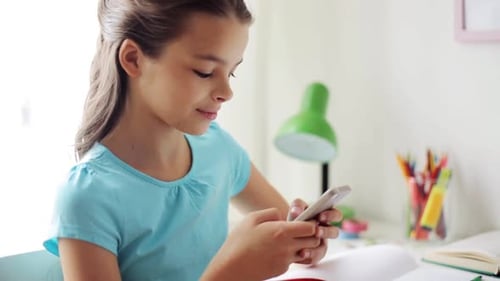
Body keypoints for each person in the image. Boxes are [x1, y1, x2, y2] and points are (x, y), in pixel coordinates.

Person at [43, 0, 342, 280]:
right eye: (205, 72)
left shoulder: (219, 149)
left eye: (232, 73)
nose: (226, 91)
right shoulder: (88, 197)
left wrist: (305, 243)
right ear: (134, 59)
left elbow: (285, 233)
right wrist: (230, 273)